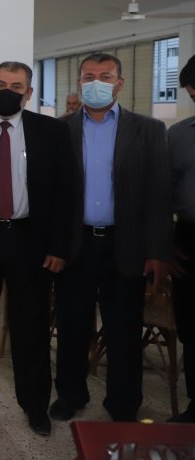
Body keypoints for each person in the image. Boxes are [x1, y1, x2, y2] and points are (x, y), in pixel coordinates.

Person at [0, 61, 74, 436]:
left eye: (17, 86)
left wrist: (59, 246)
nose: (8, 91)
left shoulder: (51, 131)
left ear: (29, 93)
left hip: (31, 240)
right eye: (1, 84)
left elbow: (66, 193)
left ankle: (34, 404)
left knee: (31, 325)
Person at [52, 53, 172, 423]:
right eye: (89, 76)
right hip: (76, 244)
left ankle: (123, 402)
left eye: (105, 76)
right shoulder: (61, 129)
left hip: (126, 244)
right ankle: (70, 394)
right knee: (72, 325)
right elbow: (51, 195)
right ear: (79, 82)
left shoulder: (149, 130)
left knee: (124, 329)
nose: (96, 83)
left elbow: (159, 195)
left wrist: (157, 251)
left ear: (120, 83)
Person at [166, 54, 195, 423]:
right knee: (190, 325)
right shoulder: (179, 135)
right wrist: (166, 240)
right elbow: (165, 191)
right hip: (189, 238)